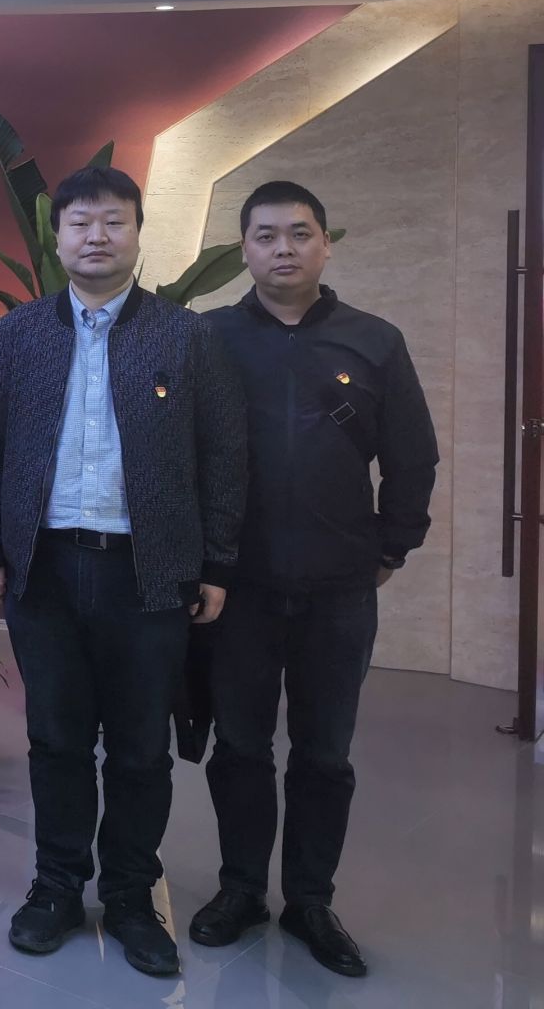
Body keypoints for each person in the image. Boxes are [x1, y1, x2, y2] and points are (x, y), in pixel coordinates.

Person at [0, 164, 245, 978]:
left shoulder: (186, 335)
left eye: (113, 221)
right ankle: (56, 884)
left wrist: (216, 561)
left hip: (146, 573)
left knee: (139, 748)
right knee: (55, 739)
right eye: (80, 223)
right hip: (46, 569)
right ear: (57, 238)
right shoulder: (20, 332)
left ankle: (129, 894)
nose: (96, 236)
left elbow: (223, 456)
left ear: (137, 233)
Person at [187, 181, 437, 977]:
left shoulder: (375, 340)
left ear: (326, 244)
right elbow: (180, 452)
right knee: (240, 746)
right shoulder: (209, 338)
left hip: (339, 587)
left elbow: (412, 455)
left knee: (325, 753)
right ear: (244, 249)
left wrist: (393, 547)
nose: (283, 249)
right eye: (266, 236)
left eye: (300, 233)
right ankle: (239, 889)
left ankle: (310, 900)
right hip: (237, 586)